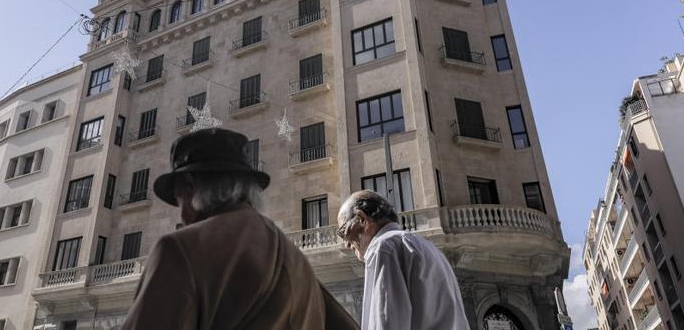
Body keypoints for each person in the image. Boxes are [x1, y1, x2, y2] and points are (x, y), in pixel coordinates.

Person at [122, 128, 358, 330]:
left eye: (178, 199)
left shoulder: (178, 250)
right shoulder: (295, 258)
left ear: (190, 185)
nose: (181, 216)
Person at [337, 190, 470, 330]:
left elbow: (386, 323)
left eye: (342, 232)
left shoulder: (384, 247)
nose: (346, 243)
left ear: (362, 219)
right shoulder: (429, 249)